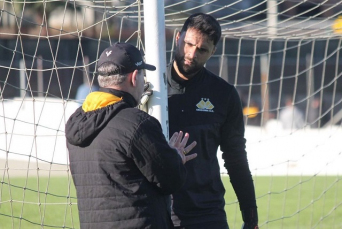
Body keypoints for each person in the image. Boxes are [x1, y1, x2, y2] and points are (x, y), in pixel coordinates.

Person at [65, 42, 197, 229]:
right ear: (134, 77)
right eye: (143, 75)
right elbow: (171, 180)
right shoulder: (137, 123)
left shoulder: (77, 121)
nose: (145, 82)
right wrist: (176, 155)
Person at [167, 13, 259, 229]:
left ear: (213, 52)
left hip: (206, 212)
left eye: (202, 50)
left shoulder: (223, 95)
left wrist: (250, 216)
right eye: (188, 44)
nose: (191, 54)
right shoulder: (149, 87)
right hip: (157, 210)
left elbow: (235, 157)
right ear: (177, 37)